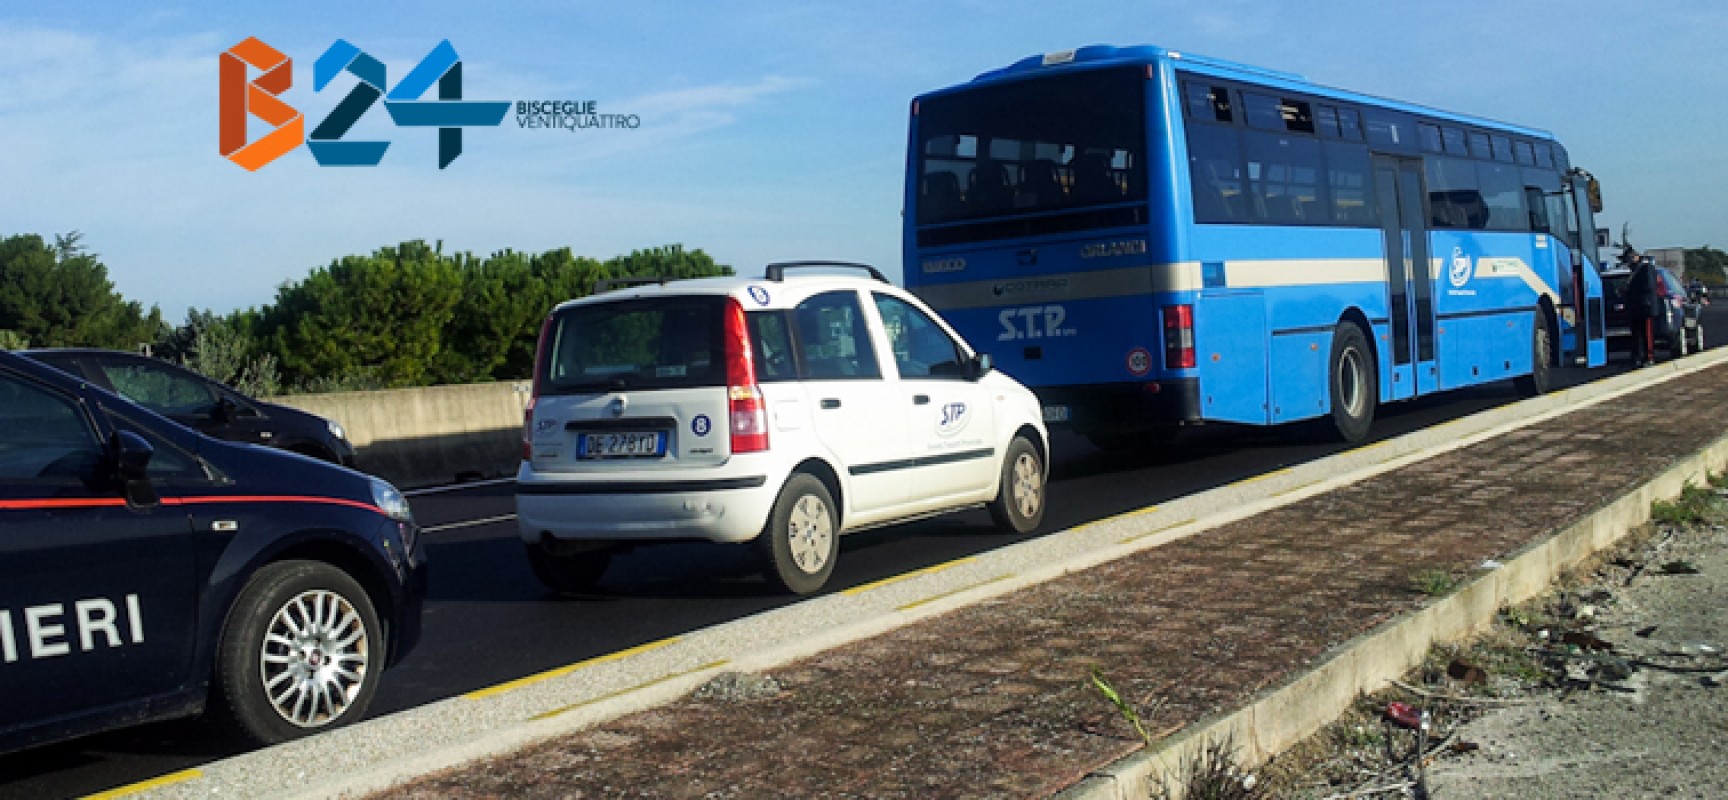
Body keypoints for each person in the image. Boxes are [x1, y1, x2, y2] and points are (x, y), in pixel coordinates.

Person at [1626, 254, 1660, 366]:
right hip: (1636, 308)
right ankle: (1638, 356)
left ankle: (1649, 357)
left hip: (1646, 307)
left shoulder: (1646, 268)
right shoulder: (1635, 270)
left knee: (1647, 334)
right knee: (1637, 334)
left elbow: (1649, 287)